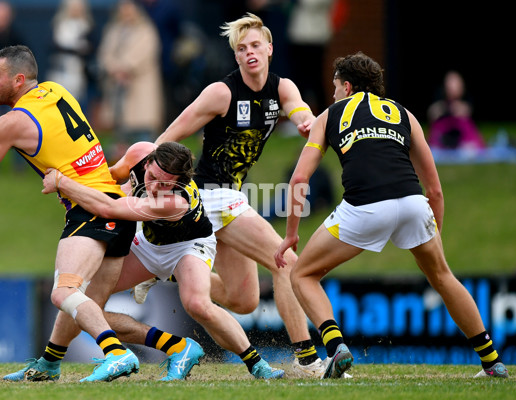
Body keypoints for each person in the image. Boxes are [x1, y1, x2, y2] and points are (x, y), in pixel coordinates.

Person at [274, 51, 509, 379]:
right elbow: (435, 190)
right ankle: (492, 362)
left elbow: (299, 180)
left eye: (335, 88)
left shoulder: (331, 114)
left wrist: (290, 234)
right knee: (443, 277)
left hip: (364, 207)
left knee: (302, 275)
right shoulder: (404, 114)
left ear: (347, 86)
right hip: (413, 204)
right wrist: (432, 233)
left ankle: (336, 348)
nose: (333, 94)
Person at [0, 45, 139, 383]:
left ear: (18, 80)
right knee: (82, 301)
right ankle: (49, 364)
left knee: (63, 292)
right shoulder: (58, 91)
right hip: (118, 207)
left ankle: (117, 353)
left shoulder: (13, 122)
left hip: (88, 209)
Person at [147, 13, 326, 378]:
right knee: (285, 261)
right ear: (236, 57)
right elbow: (172, 132)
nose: (250, 53)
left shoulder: (282, 88)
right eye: (242, 49)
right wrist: (144, 168)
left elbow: (300, 112)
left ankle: (167, 271)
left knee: (243, 300)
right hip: (210, 195)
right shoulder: (222, 92)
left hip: (230, 198)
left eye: (256, 46)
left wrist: (307, 123)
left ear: (270, 49)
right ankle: (306, 359)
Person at [40, 141, 285, 380]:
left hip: (189, 246)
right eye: (153, 177)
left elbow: (108, 208)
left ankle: (257, 364)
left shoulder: (175, 202)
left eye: (165, 184)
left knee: (197, 304)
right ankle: (50, 362)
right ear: (147, 162)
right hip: (149, 245)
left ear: (180, 182)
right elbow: (105, 181)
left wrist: (62, 182)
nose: (156, 187)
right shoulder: (138, 152)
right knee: (85, 303)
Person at [97, 0, 164, 159]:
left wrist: (124, 68)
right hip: (118, 89)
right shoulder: (113, 30)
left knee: (144, 138)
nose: (126, 13)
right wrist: (114, 69)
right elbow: (105, 54)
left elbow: (144, 53)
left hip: (140, 88)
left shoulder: (146, 30)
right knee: (121, 135)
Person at [46, 0, 94, 110]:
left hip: (78, 72)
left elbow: (90, 49)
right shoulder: (59, 26)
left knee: (76, 103)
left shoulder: (87, 27)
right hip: (59, 70)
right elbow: (52, 46)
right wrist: (75, 48)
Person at [426, 70, 485, 150]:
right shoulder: (439, 104)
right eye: (449, 83)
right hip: (442, 139)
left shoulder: (466, 104)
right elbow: (432, 115)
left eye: (455, 83)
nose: (451, 87)